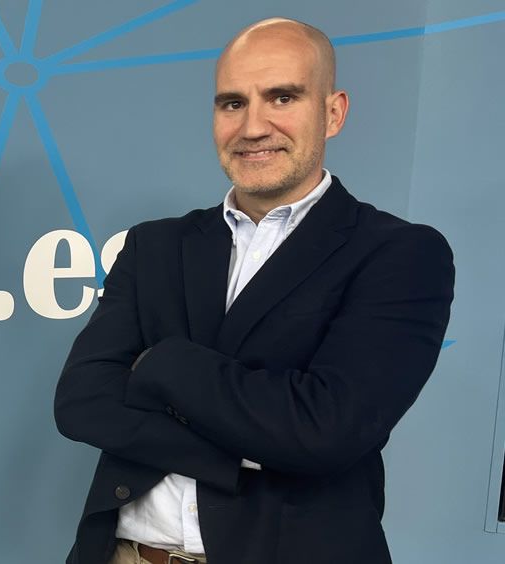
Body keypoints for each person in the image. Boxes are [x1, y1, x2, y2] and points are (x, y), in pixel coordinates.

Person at [53, 17, 455, 564]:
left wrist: (162, 365)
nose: (253, 126)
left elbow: (326, 433)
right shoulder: (154, 246)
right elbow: (82, 402)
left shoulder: (399, 253)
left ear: (333, 112)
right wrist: (251, 444)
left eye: (282, 97)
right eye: (232, 103)